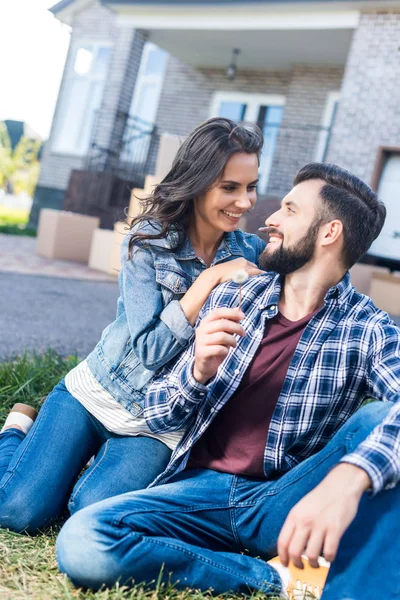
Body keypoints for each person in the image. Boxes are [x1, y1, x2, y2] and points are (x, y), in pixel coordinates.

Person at [57, 163, 400, 600]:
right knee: (85, 539)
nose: (268, 218)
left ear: (328, 232)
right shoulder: (234, 295)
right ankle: (280, 580)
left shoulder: (368, 327)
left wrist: (347, 479)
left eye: (290, 210)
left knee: (381, 419)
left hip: (284, 497)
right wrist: (197, 372)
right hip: (198, 492)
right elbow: (159, 413)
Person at [0, 117, 266, 534]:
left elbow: (318, 275)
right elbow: (152, 349)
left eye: (251, 186)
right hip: (97, 393)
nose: (246, 202)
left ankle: (74, 463)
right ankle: (17, 430)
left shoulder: (251, 253)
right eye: (230, 188)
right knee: (18, 512)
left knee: (87, 513)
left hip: (159, 425)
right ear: (197, 183)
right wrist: (209, 279)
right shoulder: (148, 240)